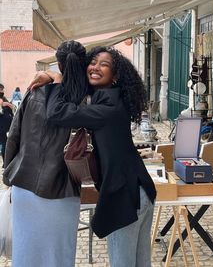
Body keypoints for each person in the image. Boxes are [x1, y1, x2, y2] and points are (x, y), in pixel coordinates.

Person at [29, 46, 157, 267]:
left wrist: (58, 79)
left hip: (127, 198)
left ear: (115, 76)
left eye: (104, 65)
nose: (96, 67)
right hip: (140, 192)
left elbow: (57, 113)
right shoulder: (110, 100)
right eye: (93, 62)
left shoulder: (108, 108)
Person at [3, 40, 88, 267]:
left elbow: (13, 136)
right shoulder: (83, 100)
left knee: (25, 257)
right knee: (57, 259)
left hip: (24, 185)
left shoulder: (34, 92)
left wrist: (9, 177)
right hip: (62, 191)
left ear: (58, 65)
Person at [0, 83, 14, 165]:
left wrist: (8, 104)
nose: (2, 91)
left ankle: (6, 162)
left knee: (5, 143)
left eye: (2, 89)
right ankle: (5, 162)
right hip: (2, 126)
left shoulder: (4, 99)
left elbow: (11, 107)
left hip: (6, 125)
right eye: (1, 89)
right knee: (4, 143)